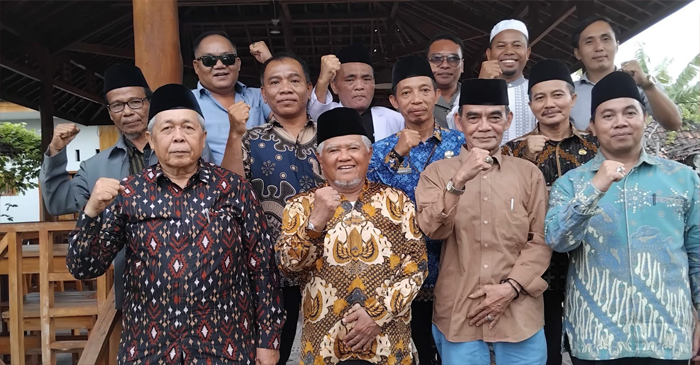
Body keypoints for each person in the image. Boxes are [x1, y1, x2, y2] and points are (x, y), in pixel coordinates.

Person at [67, 83, 285, 364]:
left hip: (225, 346)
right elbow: (84, 267)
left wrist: (268, 339)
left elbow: (264, 269)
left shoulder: (234, 189)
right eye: (167, 129)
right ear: (151, 138)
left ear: (203, 137)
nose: (179, 138)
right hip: (148, 348)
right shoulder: (130, 193)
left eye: (188, 128)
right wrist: (92, 212)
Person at [544, 71, 699, 365]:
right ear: (592, 125)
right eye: (608, 115)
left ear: (645, 118)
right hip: (596, 339)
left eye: (630, 112)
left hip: (668, 337)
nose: (620, 122)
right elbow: (557, 240)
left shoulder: (683, 179)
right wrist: (595, 188)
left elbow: (697, 253)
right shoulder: (572, 183)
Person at [40, 64, 210, 313]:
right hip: (134, 285)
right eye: (117, 105)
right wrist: (55, 153)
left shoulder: (182, 149)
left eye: (135, 102)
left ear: (149, 104)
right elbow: (58, 203)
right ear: (110, 113)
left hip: (194, 277)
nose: (127, 112)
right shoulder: (96, 166)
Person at [276, 107, 428, 365]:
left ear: (368, 154)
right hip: (325, 348)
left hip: (388, 342)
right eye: (333, 150)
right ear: (320, 158)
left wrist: (377, 316)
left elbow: (416, 267)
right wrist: (315, 222)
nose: (344, 157)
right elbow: (288, 268)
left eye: (353, 148)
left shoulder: (396, 201)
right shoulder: (300, 205)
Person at [416, 78, 551, 365]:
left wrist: (511, 287)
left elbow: (540, 240)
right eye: (473, 117)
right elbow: (432, 229)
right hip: (459, 312)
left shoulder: (528, 174)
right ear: (459, 121)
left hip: (519, 312)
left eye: (494, 117)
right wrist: (459, 180)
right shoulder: (438, 173)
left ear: (508, 119)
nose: (484, 126)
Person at [221, 52, 324, 365]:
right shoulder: (250, 139)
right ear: (263, 94)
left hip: (329, 268)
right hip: (271, 272)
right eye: (275, 82)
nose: (286, 88)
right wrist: (234, 135)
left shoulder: (331, 137)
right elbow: (230, 192)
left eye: (294, 80)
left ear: (309, 88)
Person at [368, 54, 465, 365]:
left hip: (454, 266)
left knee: (454, 349)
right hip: (402, 272)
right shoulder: (381, 149)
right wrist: (398, 153)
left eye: (424, 90)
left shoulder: (460, 143)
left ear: (437, 95)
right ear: (395, 101)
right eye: (406, 93)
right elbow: (369, 198)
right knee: (414, 350)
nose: (416, 100)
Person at [502, 59, 598, 365]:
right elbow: (503, 204)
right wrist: (526, 160)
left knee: (589, 346)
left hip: (588, 263)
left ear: (573, 98)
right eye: (540, 98)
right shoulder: (512, 151)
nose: (549, 104)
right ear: (530, 105)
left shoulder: (597, 148)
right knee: (543, 348)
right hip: (535, 268)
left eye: (557, 95)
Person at [569, 16, 681, 131]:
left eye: (606, 39)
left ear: (617, 45)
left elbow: (674, 124)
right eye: (589, 42)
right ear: (577, 53)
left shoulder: (639, 81)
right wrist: (585, 138)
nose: (599, 47)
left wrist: (647, 85)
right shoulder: (567, 93)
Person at [448, 19, 537, 144]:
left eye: (517, 45)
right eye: (501, 46)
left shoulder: (536, 91)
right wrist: (481, 83)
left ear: (527, 53)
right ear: (489, 54)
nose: (509, 51)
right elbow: (453, 126)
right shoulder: (471, 89)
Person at [192, 30, 274, 163]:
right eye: (209, 60)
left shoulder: (259, 95)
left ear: (238, 64)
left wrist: (269, 62)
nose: (220, 65)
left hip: (265, 180)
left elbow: (288, 117)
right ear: (196, 67)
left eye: (227, 59)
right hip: (213, 181)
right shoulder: (188, 103)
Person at [307, 43, 404, 142]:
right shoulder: (329, 114)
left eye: (366, 79)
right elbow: (315, 112)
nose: (359, 87)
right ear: (334, 86)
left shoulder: (394, 119)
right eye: (350, 80)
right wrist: (323, 80)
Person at [427, 32, 465, 129]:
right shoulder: (414, 101)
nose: (445, 65)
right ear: (426, 64)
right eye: (436, 59)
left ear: (462, 65)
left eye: (453, 59)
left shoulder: (473, 95)